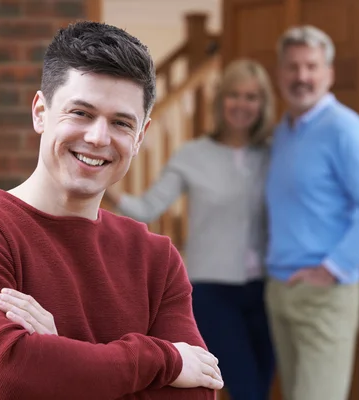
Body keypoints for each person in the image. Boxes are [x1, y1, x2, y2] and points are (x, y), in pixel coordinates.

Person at [0, 21, 223, 400]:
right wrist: (166, 361)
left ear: (140, 136)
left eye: (121, 123)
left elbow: (198, 395)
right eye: (80, 112)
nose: (98, 137)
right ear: (40, 112)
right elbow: (10, 378)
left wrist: (59, 354)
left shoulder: (157, 260)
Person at [103, 59, 277, 400]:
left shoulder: (273, 156)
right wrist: (105, 184)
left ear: (263, 105)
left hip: (268, 289)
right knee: (245, 390)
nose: (242, 104)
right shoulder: (192, 155)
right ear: (220, 100)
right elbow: (148, 208)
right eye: (234, 95)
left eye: (252, 97)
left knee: (260, 386)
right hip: (212, 290)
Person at [264, 25, 359, 400]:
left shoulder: (346, 129)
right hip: (280, 290)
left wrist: (330, 269)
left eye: (311, 66)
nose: (302, 77)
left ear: (329, 73)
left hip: (323, 295)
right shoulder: (284, 132)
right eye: (292, 67)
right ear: (280, 74)